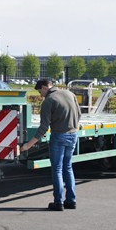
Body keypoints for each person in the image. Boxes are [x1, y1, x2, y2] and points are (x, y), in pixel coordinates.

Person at [21, 78, 81, 211]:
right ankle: (71, 201)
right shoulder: (70, 94)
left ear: (44, 87)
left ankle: (58, 202)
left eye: (40, 92)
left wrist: (28, 145)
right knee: (68, 167)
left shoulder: (49, 100)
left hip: (58, 136)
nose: (40, 95)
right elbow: (79, 114)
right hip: (73, 134)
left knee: (57, 169)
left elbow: (43, 127)